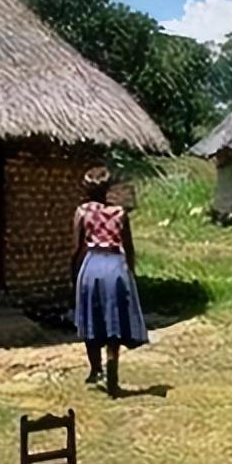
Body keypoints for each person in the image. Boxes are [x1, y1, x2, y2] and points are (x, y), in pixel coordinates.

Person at [73, 167, 148, 397]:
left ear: (86, 188)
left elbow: (76, 248)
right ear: (108, 188)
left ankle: (96, 369)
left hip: (93, 264)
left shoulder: (82, 212)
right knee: (113, 319)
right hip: (116, 266)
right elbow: (130, 248)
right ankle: (112, 366)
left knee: (91, 316)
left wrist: (73, 273)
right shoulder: (119, 213)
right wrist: (130, 273)